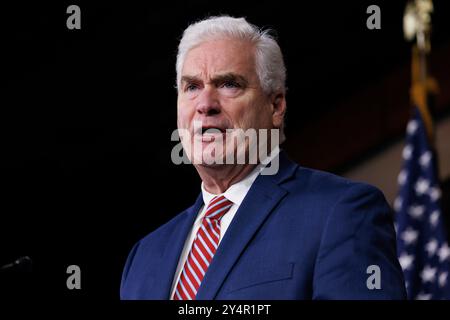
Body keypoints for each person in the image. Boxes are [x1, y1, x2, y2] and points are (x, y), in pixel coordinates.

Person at [120, 15, 406, 300]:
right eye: (192, 87)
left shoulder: (342, 213)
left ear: (275, 106)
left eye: (229, 84)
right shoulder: (144, 257)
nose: (205, 105)